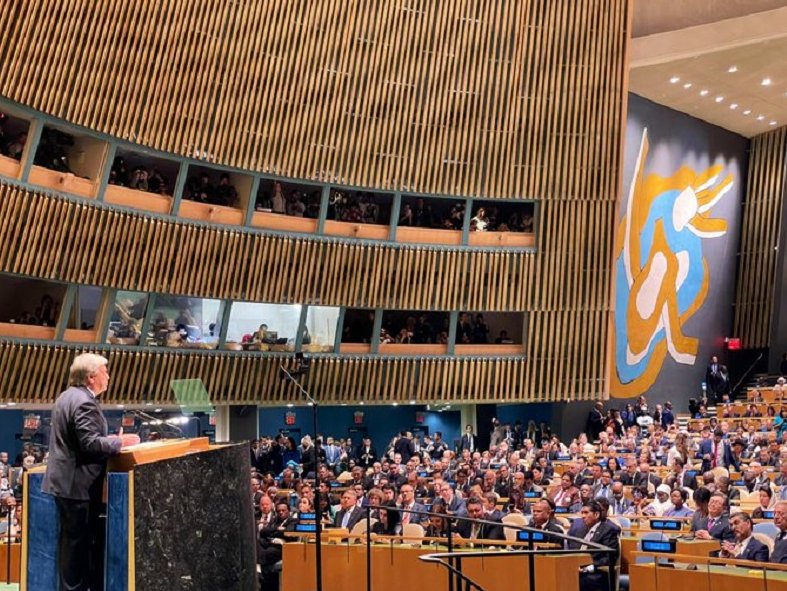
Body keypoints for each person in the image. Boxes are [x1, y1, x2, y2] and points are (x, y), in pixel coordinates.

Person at [42, 353, 140, 591]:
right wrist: (120, 443)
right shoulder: (84, 402)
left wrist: (106, 440)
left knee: (72, 549)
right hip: (78, 487)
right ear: (91, 376)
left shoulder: (66, 396)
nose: (109, 376)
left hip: (66, 485)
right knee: (77, 553)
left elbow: (82, 440)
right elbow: (89, 444)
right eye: (105, 371)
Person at [577, 500, 620, 591]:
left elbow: (610, 557)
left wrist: (588, 568)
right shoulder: (582, 530)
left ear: (596, 515)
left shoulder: (608, 530)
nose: (583, 516)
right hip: (579, 568)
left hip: (597, 572)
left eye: (586, 513)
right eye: (582, 513)